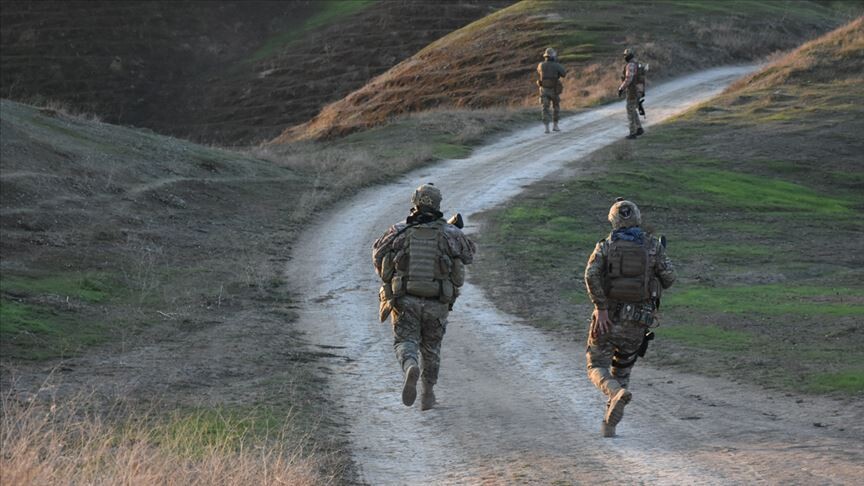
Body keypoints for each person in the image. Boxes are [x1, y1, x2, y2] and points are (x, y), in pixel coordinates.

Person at [372, 183, 475, 411]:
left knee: (405, 341)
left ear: (415, 202)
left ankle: (410, 365)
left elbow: (378, 255)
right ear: (438, 203)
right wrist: (455, 230)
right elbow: (468, 255)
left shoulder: (398, 230)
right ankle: (428, 393)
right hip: (437, 302)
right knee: (431, 348)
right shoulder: (451, 233)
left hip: (405, 299)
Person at [584, 198, 675, 437]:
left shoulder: (606, 245)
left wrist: (601, 308)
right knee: (622, 370)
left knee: (596, 364)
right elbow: (669, 278)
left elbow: (591, 275)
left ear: (613, 219)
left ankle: (614, 393)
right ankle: (610, 424)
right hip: (638, 322)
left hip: (607, 319)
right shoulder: (653, 246)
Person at [617, 48, 646, 139]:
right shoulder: (638, 64)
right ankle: (639, 128)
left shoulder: (630, 65)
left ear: (629, 56)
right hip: (638, 91)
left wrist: (621, 88)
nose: (624, 57)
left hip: (632, 91)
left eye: (625, 55)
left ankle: (632, 133)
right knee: (633, 110)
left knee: (630, 111)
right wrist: (641, 92)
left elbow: (628, 79)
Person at [536, 47, 566, 134]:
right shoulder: (557, 65)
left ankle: (546, 128)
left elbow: (539, 71)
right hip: (554, 89)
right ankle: (555, 126)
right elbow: (563, 74)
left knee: (545, 108)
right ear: (553, 56)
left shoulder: (540, 65)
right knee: (556, 107)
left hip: (544, 90)